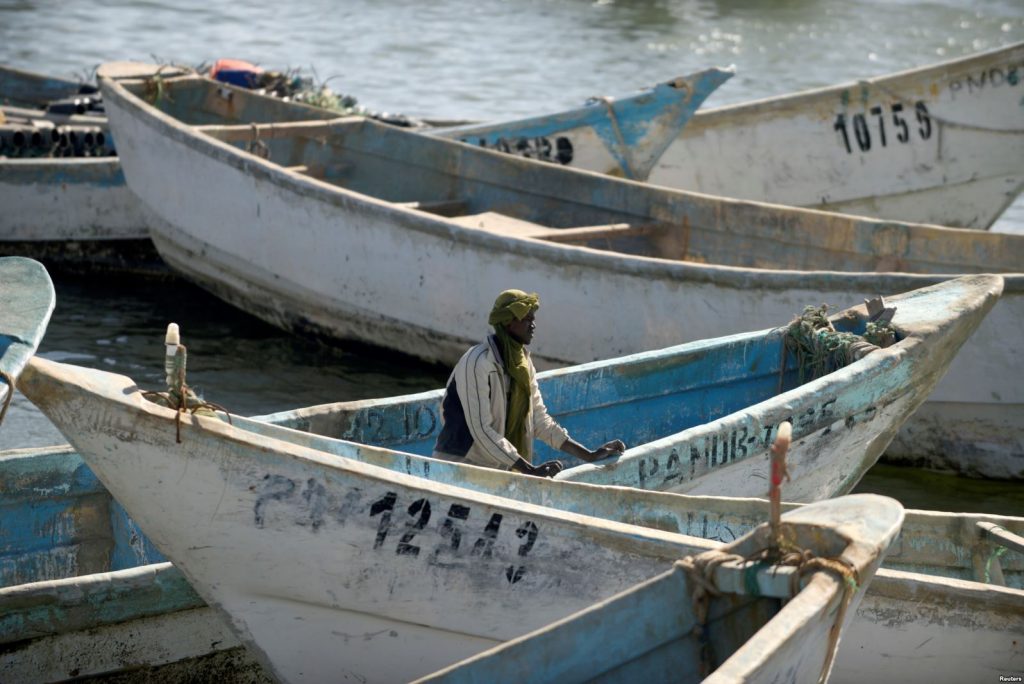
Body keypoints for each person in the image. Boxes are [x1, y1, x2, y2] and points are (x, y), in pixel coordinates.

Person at [433, 289, 626, 477]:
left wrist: (589, 455)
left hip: (500, 469)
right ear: (508, 323)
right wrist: (529, 470)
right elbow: (481, 429)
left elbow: (539, 421)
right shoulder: (478, 363)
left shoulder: (524, 364)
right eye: (527, 319)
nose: (533, 325)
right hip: (459, 468)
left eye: (533, 319)